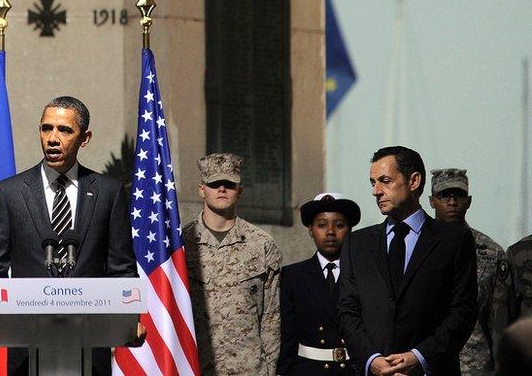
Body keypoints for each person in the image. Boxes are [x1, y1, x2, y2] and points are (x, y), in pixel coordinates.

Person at [0, 96, 137, 375]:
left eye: (64, 130)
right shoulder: (8, 193)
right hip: (27, 346)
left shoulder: (109, 193)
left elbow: (121, 268)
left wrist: (128, 320)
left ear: (84, 138)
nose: (52, 138)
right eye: (46, 128)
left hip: (89, 345)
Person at [338, 146, 478, 376]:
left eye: (385, 181)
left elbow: (463, 311)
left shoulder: (453, 240)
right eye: (373, 182)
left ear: (413, 181)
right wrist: (373, 361)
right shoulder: (358, 243)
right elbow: (347, 310)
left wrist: (419, 357)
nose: (376, 191)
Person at [181, 152, 282, 376]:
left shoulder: (262, 245)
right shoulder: (181, 245)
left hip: (248, 369)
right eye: (214, 183)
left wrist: (268, 370)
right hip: (195, 366)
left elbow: (271, 318)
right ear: (201, 190)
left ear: (240, 191)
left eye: (229, 184)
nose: (222, 189)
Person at [428, 168, 505, 375]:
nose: (452, 202)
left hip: (475, 364)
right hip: (427, 361)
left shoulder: (491, 251)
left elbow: (498, 318)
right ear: (431, 201)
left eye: (459, 195)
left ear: (469, 201)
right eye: (444, 195)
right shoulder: (415, 246)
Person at [278, 193, 361, 375]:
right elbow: (286, 337)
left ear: (350, 230)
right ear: (310, 230)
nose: (330, 232)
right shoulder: (293, 276)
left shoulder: (363, 275)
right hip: (307, 370)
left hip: (352, 369)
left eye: (339, 225)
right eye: (321, 225)